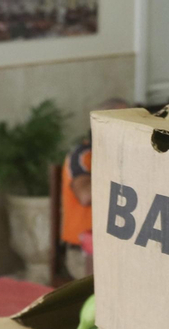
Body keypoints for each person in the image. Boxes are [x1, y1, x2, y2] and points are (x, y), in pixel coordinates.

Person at [60, 98, 131, 281]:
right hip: (84, 253)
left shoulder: (127, 155)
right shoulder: (83, 155)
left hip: (118, 248)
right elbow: (85, 195)